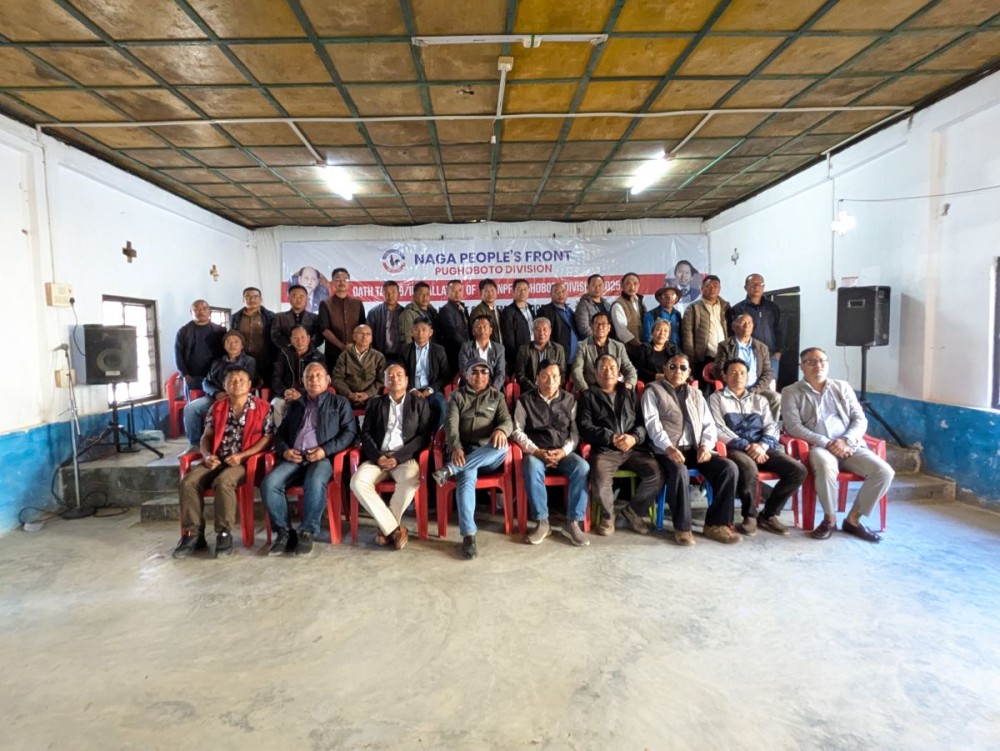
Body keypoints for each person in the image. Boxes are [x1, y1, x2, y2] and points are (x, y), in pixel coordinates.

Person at [781, 348, 894, 542]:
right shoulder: (791, 392)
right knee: (825, 467)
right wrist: (825, 442)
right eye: (812, 362)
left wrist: (847, 440)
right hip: (819, 446)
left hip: (849, 445)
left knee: (884, 472)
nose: (818, 366)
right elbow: (793, 426)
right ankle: (829, 519)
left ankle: (853, 519)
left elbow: (859, 418)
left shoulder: (841, 387)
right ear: (802, 367)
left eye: (822, 361)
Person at [173, 365, 274, 558]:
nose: (237, 384)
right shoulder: (217, 407)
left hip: (243, 462)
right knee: (188, 482)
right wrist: (207, 456)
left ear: (250, 385)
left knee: (224, 482)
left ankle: (224, 533)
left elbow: (267, 438)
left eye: (241, 380)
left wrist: (242, 456)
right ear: (225, 386)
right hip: (216, 459)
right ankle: (194, 534)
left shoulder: (263, 408)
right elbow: (206, 436)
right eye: (232, 381)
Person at [641, 353, 741, 545]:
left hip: (695, 448)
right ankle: (683, 528)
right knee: (679, 471)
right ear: (664, 369)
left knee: (728, 468)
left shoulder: (697, 394)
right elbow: (652, 424)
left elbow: (708, 424)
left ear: (689, 373)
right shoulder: (652, 391)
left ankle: (716, 525)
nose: (677, 371)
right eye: (672, 367)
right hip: (665, 450)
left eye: (682, 368)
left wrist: (705, 445)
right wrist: (668, 447)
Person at [261, 363, 356, 556]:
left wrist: (325, 450)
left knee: (314, 481)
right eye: (309, 377)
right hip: (294, 457)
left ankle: (307, 531)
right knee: (269, 483)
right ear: (303, 381)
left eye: (318, 376)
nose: (314, 380)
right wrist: (285, 451)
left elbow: (350, 433)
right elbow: (280, 435)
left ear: (328, 379)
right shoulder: (296, 405)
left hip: (322, 458)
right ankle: (284, 532)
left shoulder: (339, 403)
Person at [709, 359, 807, 536]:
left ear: (748, 376)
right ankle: (750, 515)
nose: (738, 376)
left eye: (742, 373)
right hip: (735, 448)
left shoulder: (759, 400)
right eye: (733, 372)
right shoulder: (717, 398)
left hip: (763, 447)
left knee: (798, 470)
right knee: (748, 467)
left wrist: (761, 446)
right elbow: (717, 427)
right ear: (724, 376)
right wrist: (747, 446)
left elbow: (771, 426)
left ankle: (769, 514)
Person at [432, 358, 513, 560]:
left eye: (484, 372)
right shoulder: (456, 397)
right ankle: (469, 535)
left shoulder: (497, 397)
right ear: (466, 375)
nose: (479, 376)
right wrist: (457, 447)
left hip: (488, 454)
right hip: (464, 453)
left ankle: (449, 470)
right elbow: (451, 425)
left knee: (502, 446)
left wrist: (502, 430)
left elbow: (507, 421)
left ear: (489, 376)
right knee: (466, 478)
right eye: (474, 372)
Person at [576, 355, 662, 537]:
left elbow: (643, 423)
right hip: (606, 449)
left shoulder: (630, 393)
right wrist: (611, 438)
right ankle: (608, 517)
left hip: (633, 449)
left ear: (619, 372)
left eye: (612, 368)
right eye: (603, 368)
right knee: (599, 476)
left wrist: (634, 438)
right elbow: (585, 427)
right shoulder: (588, 396)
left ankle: (634, 512)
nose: (608, 372)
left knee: (656, 473)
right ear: (596, 373)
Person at [350, 363, 431, 550]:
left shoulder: (419, 403)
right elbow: (366, 434)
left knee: (411, 480)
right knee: (357, 482)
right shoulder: (375, 403)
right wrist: (378, 458)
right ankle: (394, 529)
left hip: (404, 458)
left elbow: (423, 437)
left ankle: (385, 528)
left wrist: (398, 458)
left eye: (399, 375)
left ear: (407, 380)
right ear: (384, 381)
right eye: (390, 376)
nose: (394, 378)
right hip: (377, 458)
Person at [511, 360, 590, 547]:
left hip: (562, 452)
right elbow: (517, 431)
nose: (550, 381)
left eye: (555, 376)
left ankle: (572, 523)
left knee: (583, 467)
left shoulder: (570, 400)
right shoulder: (525, 400)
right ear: (537, 378)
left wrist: (563, 451)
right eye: (545, 376)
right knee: (530, 466)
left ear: (561, 379)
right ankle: (542, 522)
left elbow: (575, 433)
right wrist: (536, 451)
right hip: (537, 452)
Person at [182, 330, 257, 451]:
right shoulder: (216, 362)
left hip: (239, 398)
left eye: (236, 342)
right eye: (229, 342)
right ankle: (195, 444)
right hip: (215, 397)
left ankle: (232, 446)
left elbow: (250, 380)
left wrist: (232, 394)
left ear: (242, 345)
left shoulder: (249, 361)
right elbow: (206, 382)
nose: (232, 344)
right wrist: (216, 393)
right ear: (224, 345)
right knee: (190, 408)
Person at [715, 313, 780, 418]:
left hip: (757, 390)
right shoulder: (725, 346)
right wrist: (736, 386)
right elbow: (718, 370)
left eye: (749, 323)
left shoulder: (761, 347)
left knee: (776, 398)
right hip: (734, 389)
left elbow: (767, 373)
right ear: (734, 326)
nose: (746, 326)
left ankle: (770, 430)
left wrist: (754, 390)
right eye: (742, 323)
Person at [681, 274, 731, 389]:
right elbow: (687, 335)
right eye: (708, 286)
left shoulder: (726, 307)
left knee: (724, 389)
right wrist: (692, 358)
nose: (712, 289)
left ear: (719, 289)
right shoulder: (693, 308)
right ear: (702, 289)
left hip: (724, 356)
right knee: (705, 390)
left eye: (715, 286)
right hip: (703, 357)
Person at [729, 273, 784, 377]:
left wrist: (779, 351)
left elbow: (779, 329)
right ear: (745, 287)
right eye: (753, 284)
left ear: (764, 287)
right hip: (748, 355)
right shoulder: (738, 309)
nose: (757, 287)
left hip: (771, 355)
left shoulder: (773, 307)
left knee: (770, 388)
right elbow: (733, 334)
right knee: (750, 386)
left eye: (760, 284)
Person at [399, 317, 449, 430]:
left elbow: (445, 375)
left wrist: (430, 390)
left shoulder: (438, 350)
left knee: (441, 404)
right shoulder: (405, 350)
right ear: (412, 332)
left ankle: (438, 437)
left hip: (432, 390)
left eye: (424, 329)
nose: (420, 333)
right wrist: (412, 390)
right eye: (416, 329)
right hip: (411, 391)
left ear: (430, 332)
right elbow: (401, 374)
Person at [570, 311, 638, 392]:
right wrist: (586, 390)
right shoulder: (582, 346)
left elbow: (629, 369)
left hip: (614, 389)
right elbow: (576, 371)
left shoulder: (619, 346)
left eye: (604, 324)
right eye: (596, 324)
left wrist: (629, 384)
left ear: (609, 327)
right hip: (591, 389)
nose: (600, 327)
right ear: (591, 327)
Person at [270, 325, 324, 426]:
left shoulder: (318, 357)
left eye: (303, 337)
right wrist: (285, 391)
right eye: (296, 338)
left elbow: (320, 382)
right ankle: (281, 437)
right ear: (291, 339)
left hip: (309, 395)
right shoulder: (283, 355)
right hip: (285, 394)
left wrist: (301, 393)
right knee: (275, 404)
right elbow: (276, 378)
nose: (300, 341)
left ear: (309, 338)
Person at [174, 299, 225, 400]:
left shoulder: (219, 330)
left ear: (209, 312)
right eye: (196, 309)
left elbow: (225, 352)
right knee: (193, 407)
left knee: (215, 407)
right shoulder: (184, 331)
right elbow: (178, 354)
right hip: (192, 377)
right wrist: (185, 374)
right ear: (191, 312)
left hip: (215, 377)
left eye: (204, 309)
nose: (201, 311)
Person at [318, 266, 366, 373]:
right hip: (333, 352)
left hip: (357, 351)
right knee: (335, 381)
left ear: (349, 283)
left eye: (345, 280)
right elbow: (324, 330)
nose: (341, 282)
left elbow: (363, 327)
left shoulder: (357, 303)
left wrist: (354, 345)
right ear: (332, 283)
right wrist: (341, 346)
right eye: (338, 280)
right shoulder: (325, 304)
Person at [331, 324, 386, 410]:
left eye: (368, 334)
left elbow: (382, 380)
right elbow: (337, 379)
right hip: (348, 396)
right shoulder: (345, 355)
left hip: (371, 396)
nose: (364, 336)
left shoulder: (378, 356)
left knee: (377, 405)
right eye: (361, 333)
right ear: (354, 337)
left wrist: (367, 394)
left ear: (371, 338)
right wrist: (348, 394)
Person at [230, 287, 276, 387]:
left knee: (265, 388)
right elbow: (232, 337)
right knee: (243, 387)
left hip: (265, 360)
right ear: (243, 300)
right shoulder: (235, 317)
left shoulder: (271, 316)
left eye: (255, 297)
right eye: (248, 297)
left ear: (261, 299)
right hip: (243, 360)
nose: (252, 300)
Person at [513, 317, 566, 395]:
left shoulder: (558, 349)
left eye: (545, 329)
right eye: (538, 329)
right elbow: (520, 375)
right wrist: (536, 390)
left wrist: (551, 388)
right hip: (530, 391)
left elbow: (562, 373)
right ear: (533, 331)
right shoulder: (524, 349)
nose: (541, 333)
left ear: (550, 331)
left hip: (552, 390)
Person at [458, 314, 506, 391]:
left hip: (493, 388)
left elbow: (500, 372)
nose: (482, 329)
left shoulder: (499, 348)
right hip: (471, 388)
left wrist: (494, 387)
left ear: (490, 330)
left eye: (485, 326)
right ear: (473, 332)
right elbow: (464, 371)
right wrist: (476, 387)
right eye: (478, 327)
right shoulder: (466, 347)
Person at [499, 278, 536, 376]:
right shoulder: (509, 312)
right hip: (519, 356)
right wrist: (515, 360)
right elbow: (508, 340)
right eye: (519, 289)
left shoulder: (531, 309)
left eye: (525, 289)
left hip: (534, 353)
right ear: (513, 292)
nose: (522, 292)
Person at [537, 281, 579, 362]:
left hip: (574, 358)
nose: (560, 294)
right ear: (551, 294)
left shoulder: (569, 310)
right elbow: (545, 336)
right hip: (557, 358)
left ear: (567, 293)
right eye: (556, 292)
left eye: (563, 291)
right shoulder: (545, 311)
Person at [272, 284, 320, 351]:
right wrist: (291, 346)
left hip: (310, 354)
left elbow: (318, 336)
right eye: (295, 296)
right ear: (289, 299)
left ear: (306, 298)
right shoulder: (279, 317)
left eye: (301, 296)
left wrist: (304, 347)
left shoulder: (315, 318)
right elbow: (275, 336)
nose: (298, 300)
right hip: (285, 354)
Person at [436, 279, 469, 377]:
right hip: (453, 354)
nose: (457, 293)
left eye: (460, 290)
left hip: (464, 352)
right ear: (447, 292)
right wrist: (467, 346)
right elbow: (452, 333)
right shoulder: (446, 310)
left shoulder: (463, 308)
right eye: (453, 290)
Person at [610, 272, 647, 357]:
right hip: (627, 351)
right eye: (628, 283)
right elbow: (622, 332)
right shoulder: (618, 305)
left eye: (635, 283)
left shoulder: (640, 302)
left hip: (641, 349)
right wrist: (640, 345)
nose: (632, 287)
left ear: (639, 285)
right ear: (622, 285)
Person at [366, 280, 403, 362]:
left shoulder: (405, 312)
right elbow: (368, 336)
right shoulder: (373, 313)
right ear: (382, 294)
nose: (390, 295)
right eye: (387, 292)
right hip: (379, 355)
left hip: (402, 355)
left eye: (393, 292)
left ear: (399, 295)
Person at [633, 318, 679, 384]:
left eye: (665, 331)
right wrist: (656, 376)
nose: (662, 333)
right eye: (658, 329)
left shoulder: (673, 349)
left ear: (668, 337)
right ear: (652, 333)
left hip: (671, 382)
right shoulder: (644, 349)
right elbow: (639, 371)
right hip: (652, 383)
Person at [399, 281, 439, 346]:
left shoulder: (433, 312)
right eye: (421, 294)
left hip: (434, 351)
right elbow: (407, 339)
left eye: (427, 294)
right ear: (414, 296)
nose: (425, 297)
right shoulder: (407, 314)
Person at [575, 273, 611, 339]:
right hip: (592, 344)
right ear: (588, 287)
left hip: (608, 342)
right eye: (594, 285)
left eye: (600, 285)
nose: (597, 288)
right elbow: (584, 328)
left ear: (604, 287)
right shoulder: (583, 305)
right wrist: (598, 340)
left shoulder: (607, 304)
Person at [468, 278, 502, 343]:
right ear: (481, 293)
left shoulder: (498, 311)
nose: (490, 293)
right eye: (486, 291)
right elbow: (476, 334)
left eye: (492, 290)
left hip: (499, 349)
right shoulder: (478, 311)